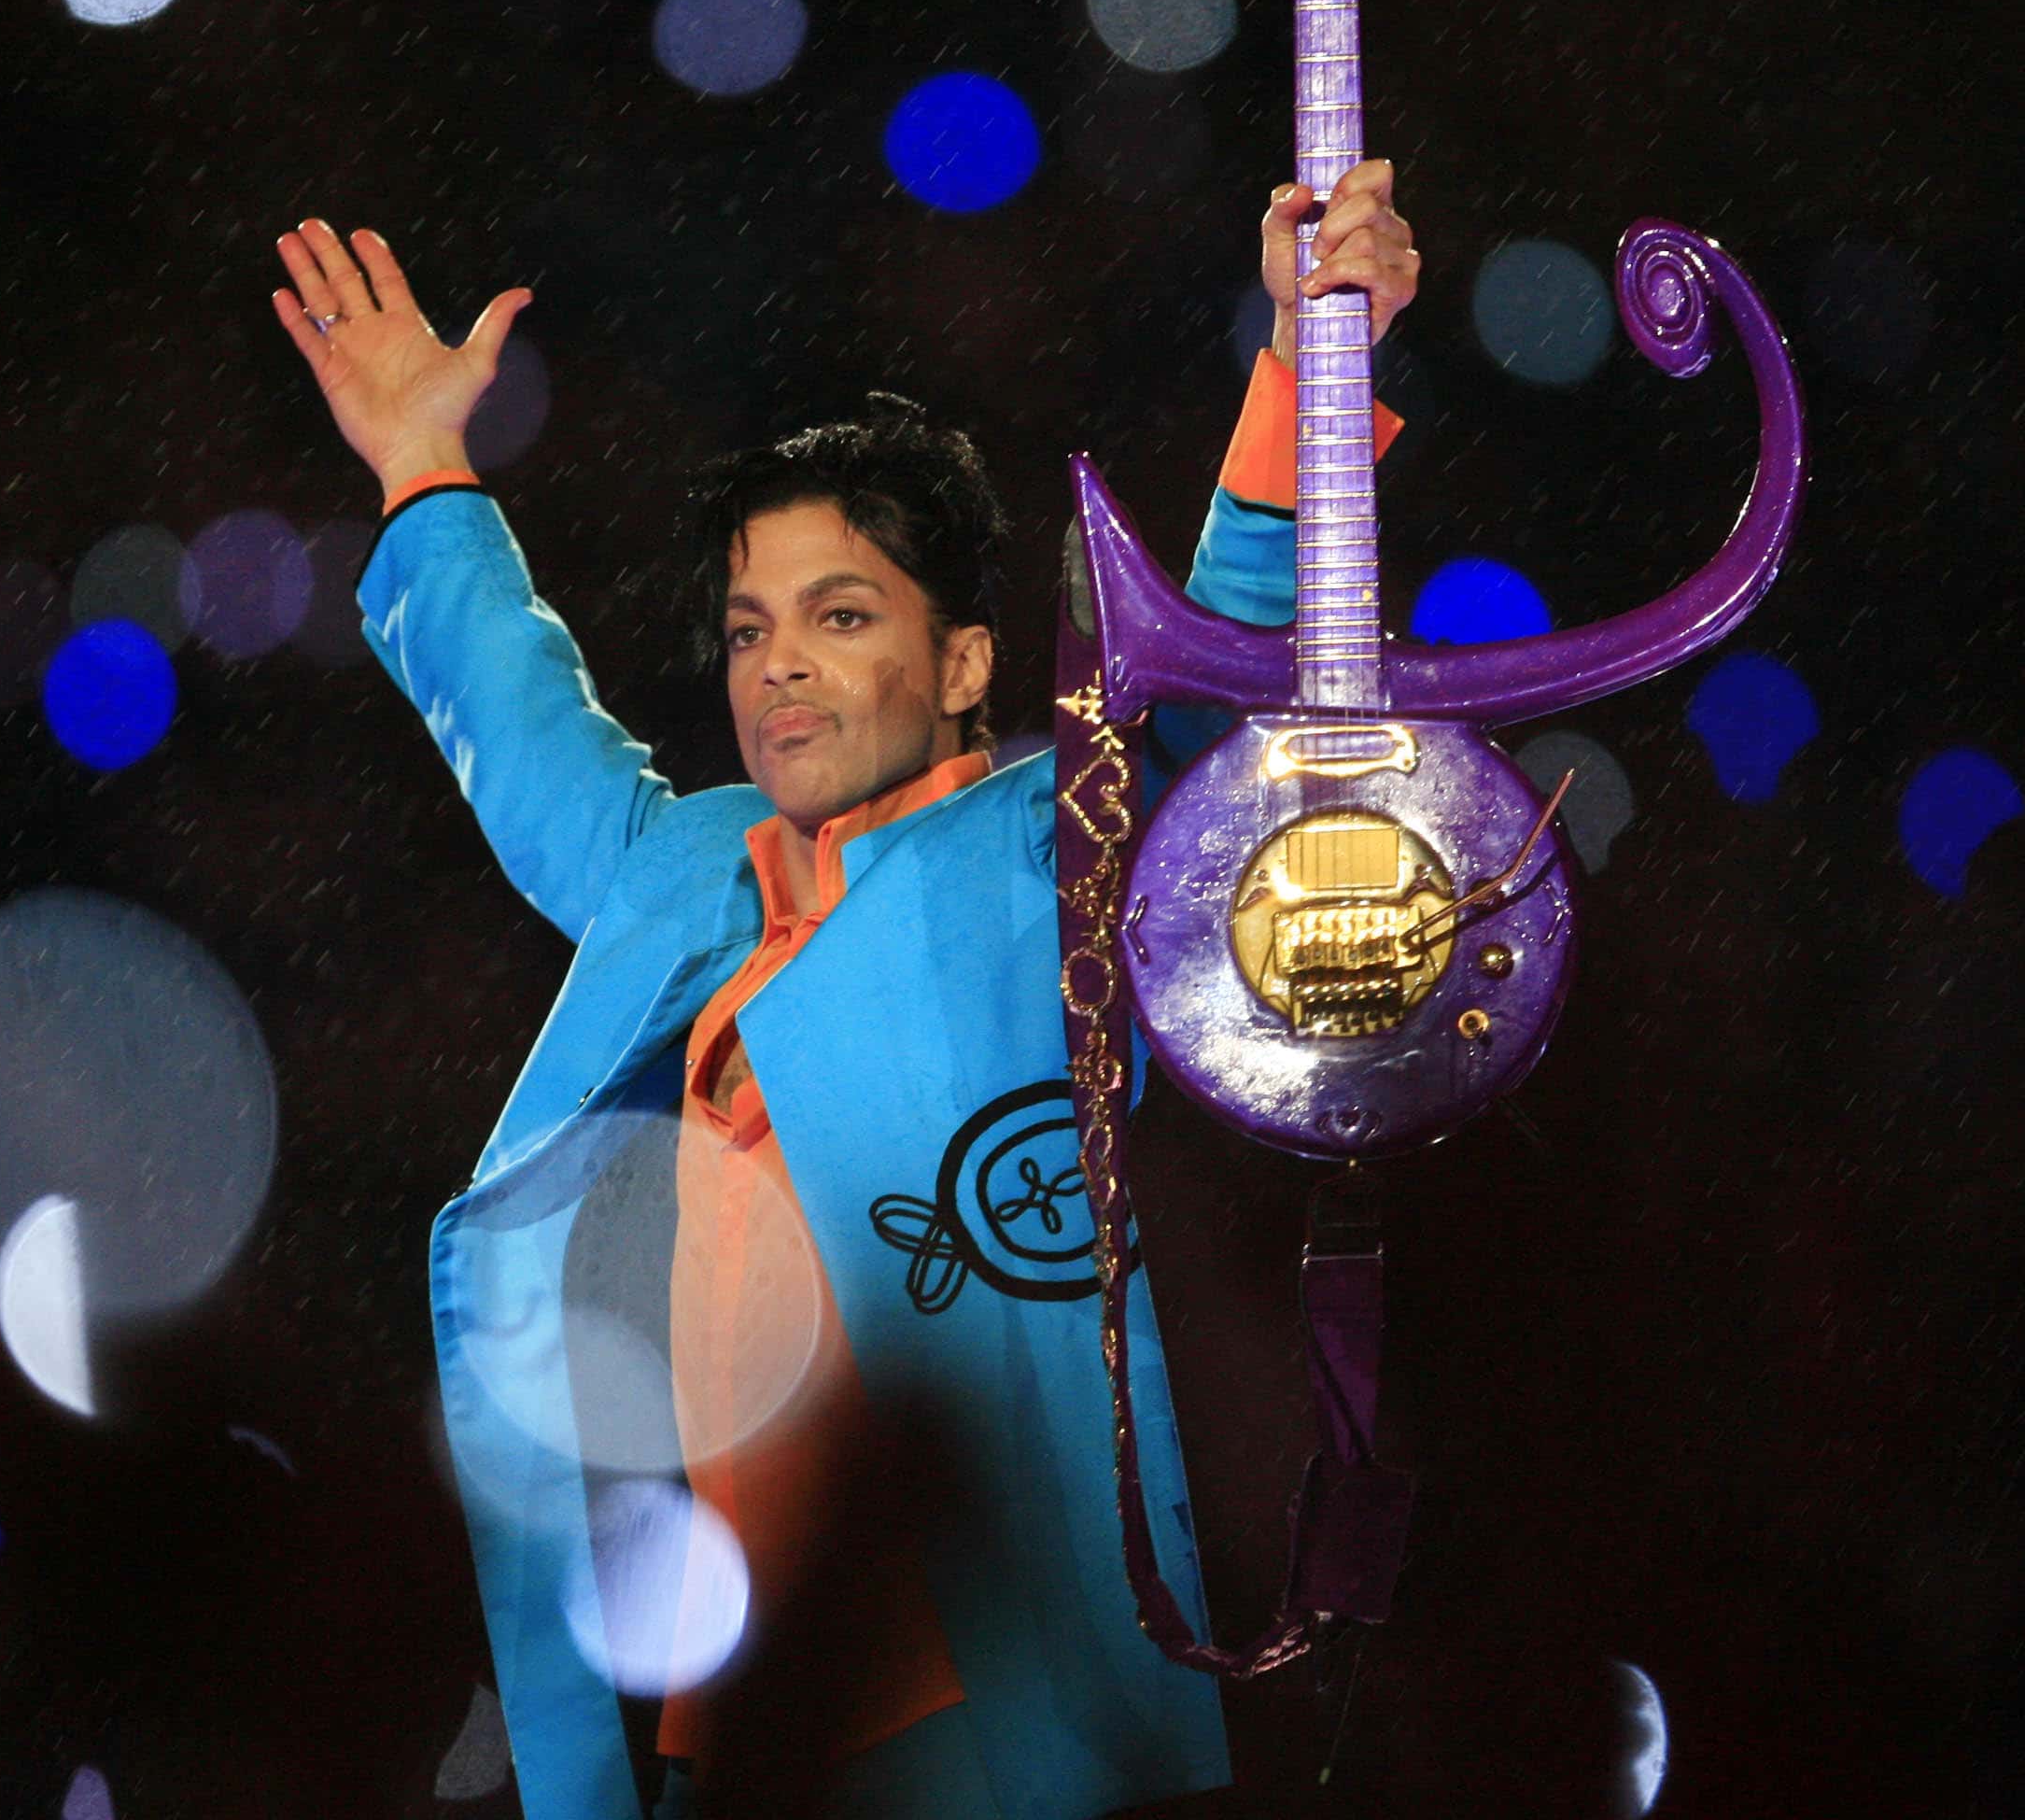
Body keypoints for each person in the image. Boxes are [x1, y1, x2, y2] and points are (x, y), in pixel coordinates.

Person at [270, 167, 1419, 1820]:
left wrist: (1311, 371)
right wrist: (421, 469)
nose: (780, 665)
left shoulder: (1053, 839)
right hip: (723, 1708)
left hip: (980, 1670)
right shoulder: (694, 869)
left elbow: (1226, 674)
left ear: (961, 665)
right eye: (749, 632)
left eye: (842, 616)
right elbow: (525, 731)